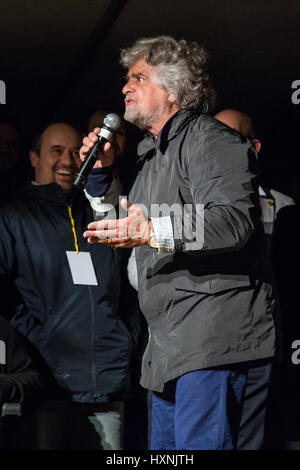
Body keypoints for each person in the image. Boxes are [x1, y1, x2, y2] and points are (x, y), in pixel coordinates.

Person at [80, 36, 276, 450]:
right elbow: (124, 227)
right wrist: (101, 175)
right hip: (167, 348)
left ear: (171, 89)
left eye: (138, 78)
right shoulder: (152, 157)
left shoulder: (212, 140)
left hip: (213, 342)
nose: (124, 88)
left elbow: (233, 220)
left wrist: (151, 229)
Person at [0, 122, 141, 450]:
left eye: (74, 152)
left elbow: (131, 286)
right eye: (55, 151)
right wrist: (37, 337)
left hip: (108, 384)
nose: (67, 160)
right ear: (34, 157)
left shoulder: (102, 214)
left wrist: (125, 337)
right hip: (49, 389)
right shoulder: (13, 218)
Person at [214, 109, 294, 235]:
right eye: (211, 139)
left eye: (230, 137)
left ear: (254, 147)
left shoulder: (284, 206)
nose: (220, 147)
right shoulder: (182, 205)